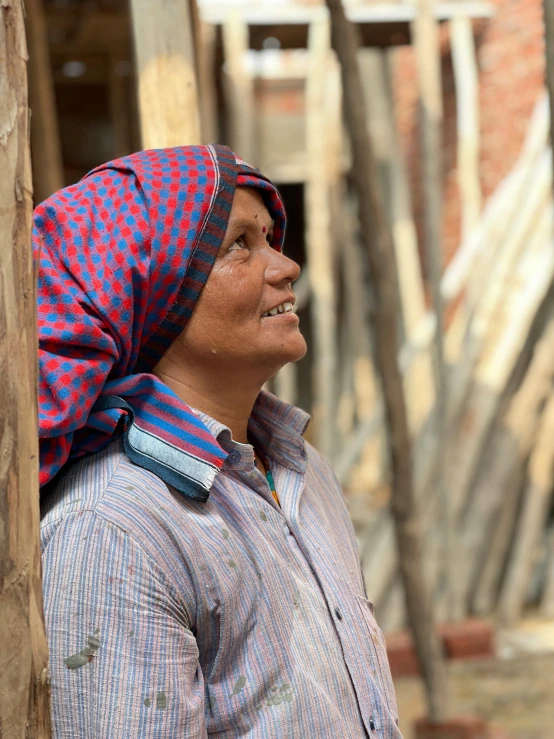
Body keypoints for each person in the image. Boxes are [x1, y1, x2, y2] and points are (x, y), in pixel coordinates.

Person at [37, 145, 401, 738]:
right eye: (239, 246)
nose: (285, 266)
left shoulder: (297, 467)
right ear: (158, 292)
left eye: (269, 238)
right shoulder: (114, 528)